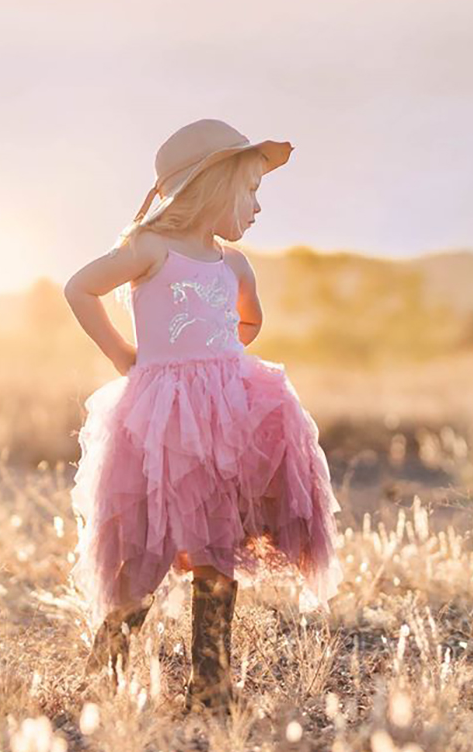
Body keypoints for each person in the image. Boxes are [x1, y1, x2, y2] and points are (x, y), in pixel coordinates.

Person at [63, 119, 343, 715]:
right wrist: (127, 357)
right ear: (209, 189)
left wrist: (221, 356)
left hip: (229, 415)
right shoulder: (149, 249)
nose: (258, 206)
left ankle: (211, 685)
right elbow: (80, 288)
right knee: (144, 548)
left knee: (219, 546)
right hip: (161, 419)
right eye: (249, 192)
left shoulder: (233, 264)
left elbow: (248, 322)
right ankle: (105, 673)